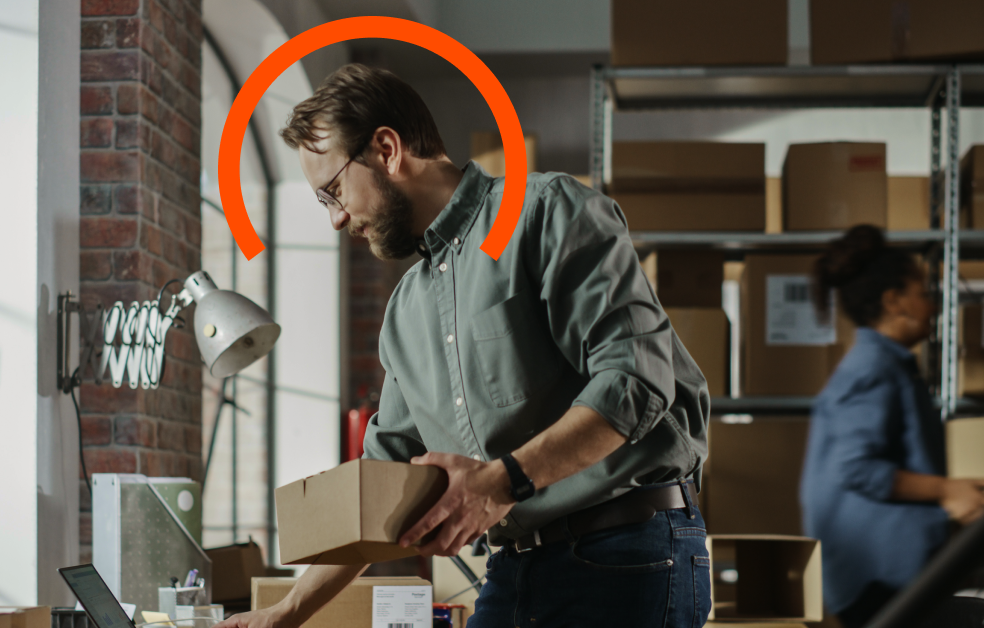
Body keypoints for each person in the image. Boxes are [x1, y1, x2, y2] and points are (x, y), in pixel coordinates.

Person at [219, 64, 711, 628]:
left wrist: (500, 483)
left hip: (627, 552)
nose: (335, 220)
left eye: (332, 191)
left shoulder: (548, 212)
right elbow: (379, 481)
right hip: (516, 567)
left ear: (386, 149)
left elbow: (637, 383)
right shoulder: (406, 311)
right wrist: (284, 613)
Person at [800, 225, 984, 628]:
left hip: (885, 573)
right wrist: (947, 490)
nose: (933, 303)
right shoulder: (871, 369)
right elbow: (856, 468)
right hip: (874, 579)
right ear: (894, 302)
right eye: (922, 292)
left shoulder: (888, 365)